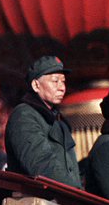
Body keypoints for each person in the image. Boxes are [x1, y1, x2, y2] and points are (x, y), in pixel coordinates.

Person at [5, 56, 82, 189]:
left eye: (63, 81)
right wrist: (75, 191)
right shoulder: (24, 115)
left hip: (63, 196)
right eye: (55, 81)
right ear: (36, 85)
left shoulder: (58, 120)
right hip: (37, 196)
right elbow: (41, 164)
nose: (62, 87)